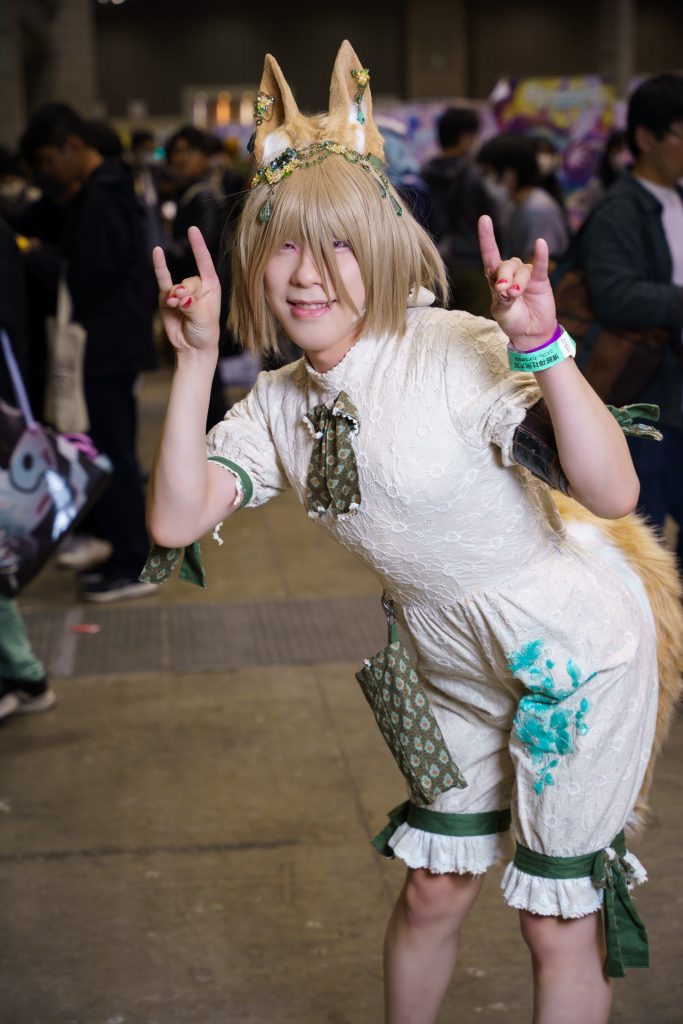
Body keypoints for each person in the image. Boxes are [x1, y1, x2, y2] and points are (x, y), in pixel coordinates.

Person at [145, 43, 680, 1024]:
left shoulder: (451, 349)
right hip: (439, 658)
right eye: (283, 245)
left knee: (553, 919)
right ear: (253, 255)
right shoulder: (276, 403)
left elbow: (611, 490)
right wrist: (193, 359)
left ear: (386, 247)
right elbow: (176, 516)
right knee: (434, 883)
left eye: (340, 245)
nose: (308, 276)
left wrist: (541, 347)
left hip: (573, 655)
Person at [20, 103, 157, 601]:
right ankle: (122, 551)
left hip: (107, 346)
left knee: (112, 453)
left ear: (73, 145)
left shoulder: (103, 197)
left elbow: (90, 278)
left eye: (48, 159)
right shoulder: (107, 189)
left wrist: (40, 257)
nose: (48, 172)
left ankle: (133, 563)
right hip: (112, 343)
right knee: (108, 449)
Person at [577, 74, 683, 573]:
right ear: (646, 137)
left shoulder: (674, 198)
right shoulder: (620, 209)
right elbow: (616, 296)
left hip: (672, 395)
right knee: (643, 543)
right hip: (647, 403)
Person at [164, 125, 230, 429]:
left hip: (202, 296)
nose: (182, 158)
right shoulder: (191, 192)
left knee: (205, 373)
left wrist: (161, 248)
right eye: (176, 152)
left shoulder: (203, 195)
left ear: (205, 156)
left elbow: (199, 248)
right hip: (193, 294)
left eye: (189, 151)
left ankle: (212, 439)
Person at [421, 106, 500, 316]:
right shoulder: (475, 175)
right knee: (476, 327)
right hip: (471, 264)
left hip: (435, 264)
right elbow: (492, 220)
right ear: (465, 137)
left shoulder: (424, 174)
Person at [478, 133, 570, 264]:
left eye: (490, 173)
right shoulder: (514, 205)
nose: (488, 180)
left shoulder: (538, 209)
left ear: (509, 174)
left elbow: (545, 264)